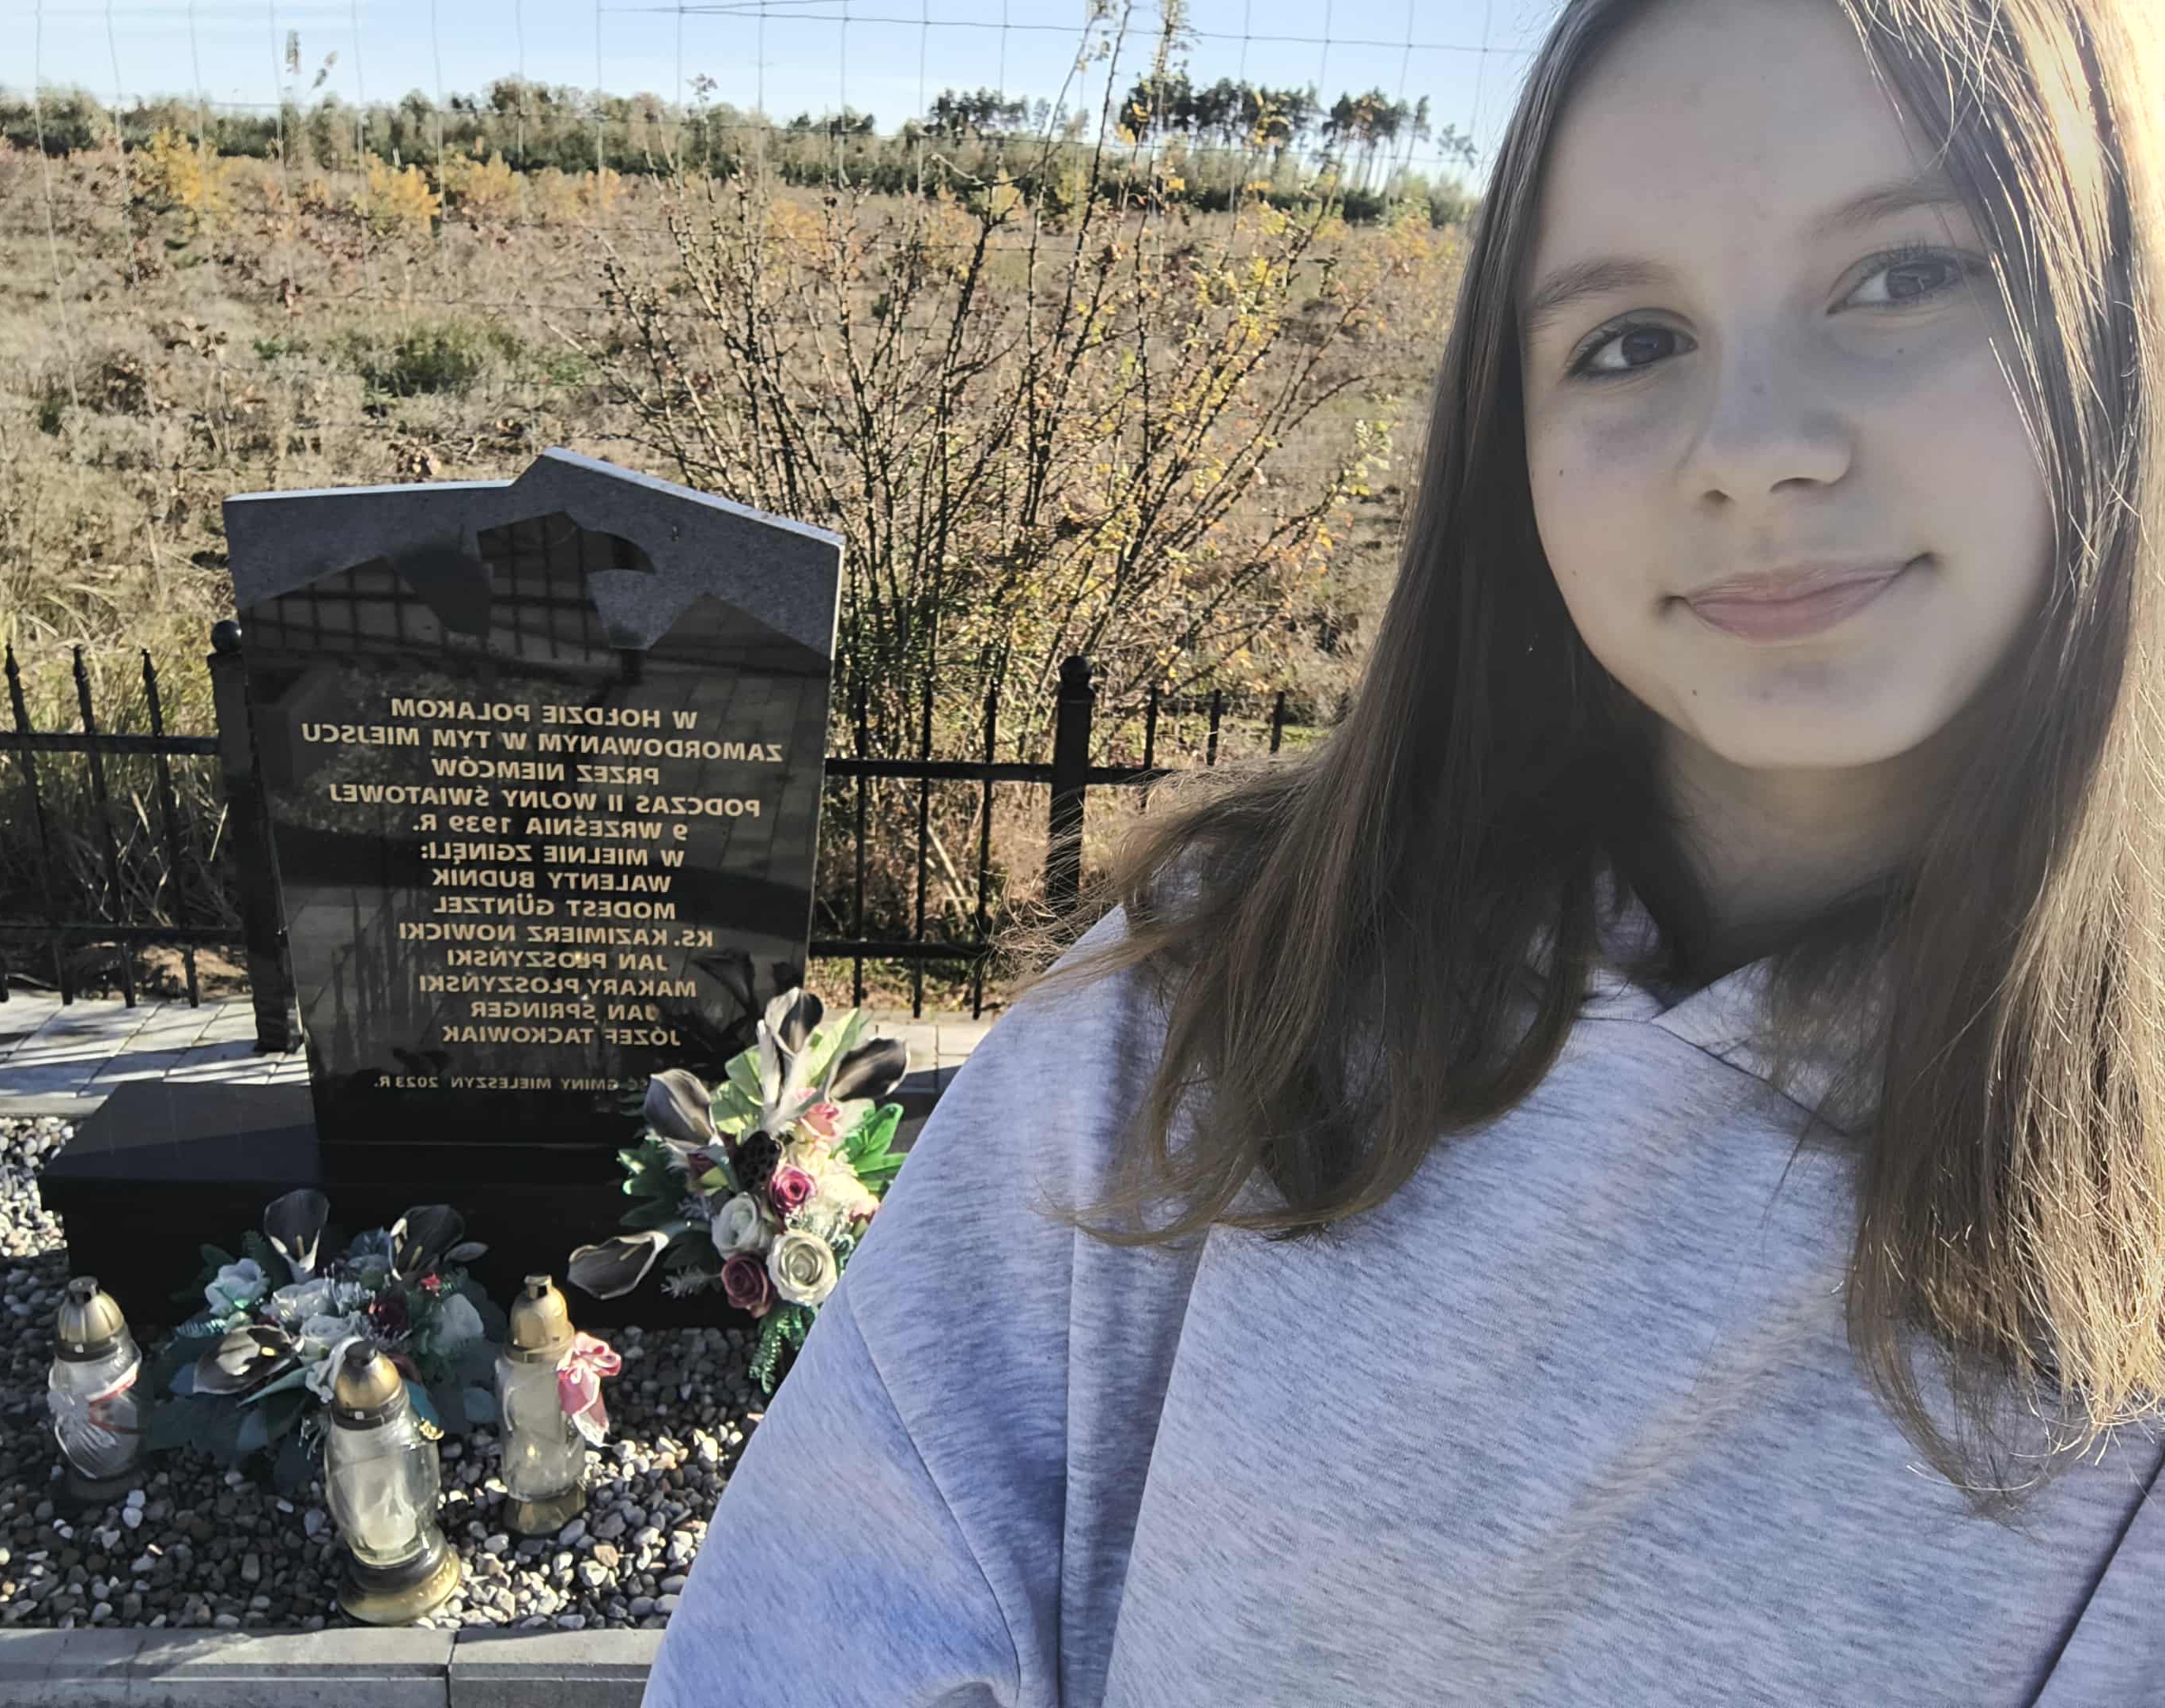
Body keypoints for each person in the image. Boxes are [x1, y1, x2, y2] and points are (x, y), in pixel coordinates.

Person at [639, 0, 2165, 1699]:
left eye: (1901, 277)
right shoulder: (1229, 988)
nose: (1753, 451)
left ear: (2112, 310)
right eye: (1631, 340)